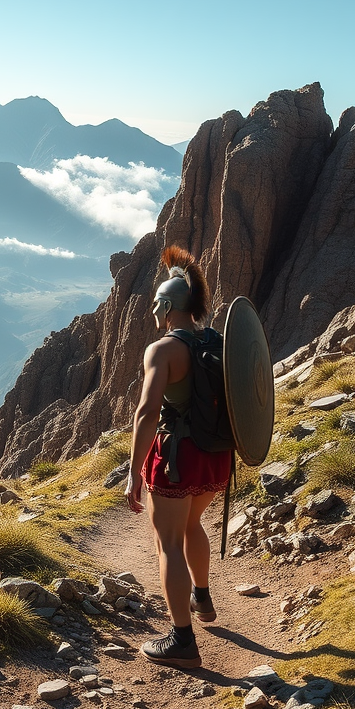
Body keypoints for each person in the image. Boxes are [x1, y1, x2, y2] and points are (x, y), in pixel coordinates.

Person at [124, 246, 231, 669]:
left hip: (175, 456)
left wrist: (134, 471)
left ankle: (182, 640)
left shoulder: (163, 349)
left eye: (157, 303)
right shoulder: (219, 340)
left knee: (167, 541)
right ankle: (202, 601)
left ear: (166, 306)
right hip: (216, 455)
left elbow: (147, 413)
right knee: (191, 523)